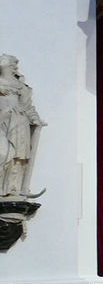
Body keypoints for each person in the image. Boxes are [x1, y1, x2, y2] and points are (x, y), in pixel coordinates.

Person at [0, 54, 45, 197]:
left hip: (19, 123)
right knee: (3, 153)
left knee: (17, 157)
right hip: (3, 122)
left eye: (4, 61)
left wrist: (35, 119)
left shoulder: (21, 86)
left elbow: (27, 106)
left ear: (11, 67)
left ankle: (12, 189)